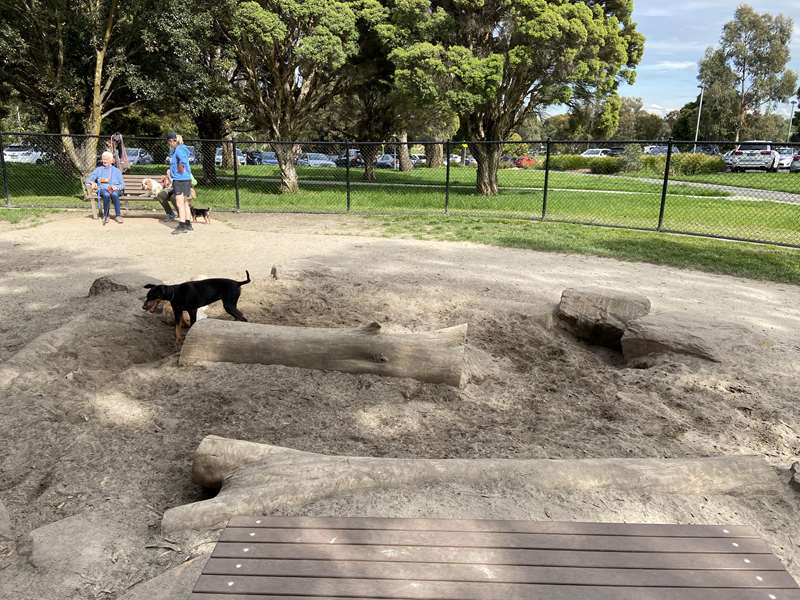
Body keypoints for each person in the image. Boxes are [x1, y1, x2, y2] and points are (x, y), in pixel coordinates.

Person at [85, 151, 125, 225]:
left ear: (111, 160)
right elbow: (88, 179)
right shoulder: (98, 170)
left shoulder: (117, 171)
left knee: (114, 195)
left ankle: (118, 215)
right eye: (103, 159)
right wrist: (92, 182)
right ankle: (106, 215)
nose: (104, 160)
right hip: (103, 189)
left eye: (106, 159)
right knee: (106, 195)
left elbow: (122, 185)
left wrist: (116, 187)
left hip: (115, 190)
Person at [166, 132, 194, 234]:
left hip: (180, 179)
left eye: (169, 142)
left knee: (179, 202)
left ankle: (182, 225)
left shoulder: (178, 149)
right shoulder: (182, 149)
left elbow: (182, 161)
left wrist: (180, 169)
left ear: (173, 141)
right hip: (185, 179)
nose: (169, 144)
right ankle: (188, 223)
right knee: (185, 202)